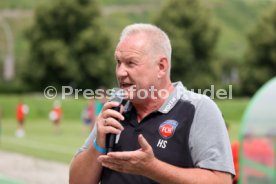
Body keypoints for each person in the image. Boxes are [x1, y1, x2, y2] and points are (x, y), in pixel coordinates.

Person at [69, 23, 235, 184]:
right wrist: (98, 144)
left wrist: (152, 168)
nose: (120, 72)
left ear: (161, 67)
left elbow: (221, 181)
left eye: (131, 63)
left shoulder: (198, 109)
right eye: (118, 62)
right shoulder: (115, 106)